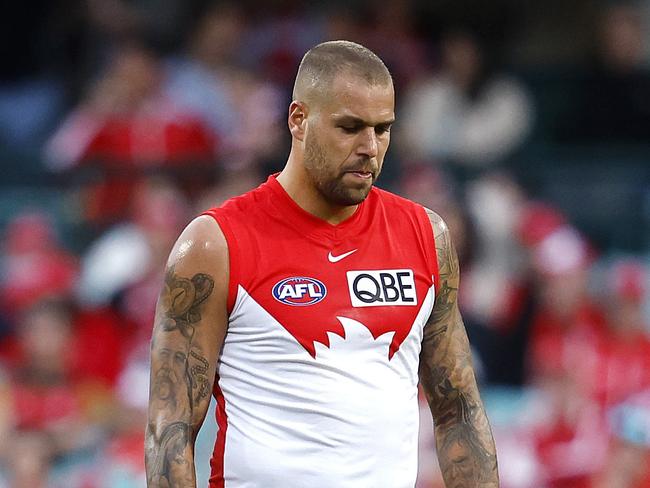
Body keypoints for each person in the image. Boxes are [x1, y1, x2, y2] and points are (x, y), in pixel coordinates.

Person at [145, 40, 498, 487]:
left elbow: (458, 410)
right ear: (298, 120)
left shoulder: (427, 236)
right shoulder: (215, 245)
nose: (370, 147)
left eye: (382, 128)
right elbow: (170, 428)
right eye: (350, 127)